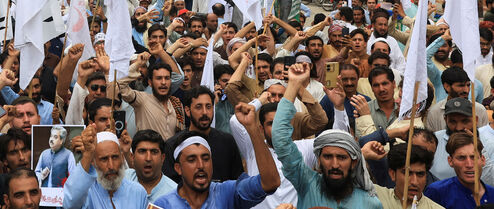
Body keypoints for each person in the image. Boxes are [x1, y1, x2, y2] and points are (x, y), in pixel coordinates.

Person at [273, 63, 382, 207]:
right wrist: (294, 84)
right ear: (318, 160)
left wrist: (338, 108)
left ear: (354, 162)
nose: (334, 164)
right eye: (328, 157)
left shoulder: (370, 203)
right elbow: (280, 140)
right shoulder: (307, 183)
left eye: (342, 157)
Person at [154, 102, 280, 209]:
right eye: (192, 160)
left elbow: (270, 183)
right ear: (178, 168)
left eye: (205, 158)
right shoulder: (164, 204)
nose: (201, 165)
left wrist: (252, 127)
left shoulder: (228, 193)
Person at [164, 85, 244, 184]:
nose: (205, 112)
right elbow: (171, 185)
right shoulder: (173, 145)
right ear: (188, 111)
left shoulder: (227, 141)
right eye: (199, 107)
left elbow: (237, 180)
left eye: (208, 106)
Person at [62, 126, 148, 209]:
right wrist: (88, 154)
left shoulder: (138, 192)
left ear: (122, 158)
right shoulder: (87, 192)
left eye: (115, 157)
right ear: (93, 162)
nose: (111, 166)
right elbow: (69, 204)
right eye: (104, 159)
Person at [424, 132, 494, 209]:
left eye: (473, 157)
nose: (469, 165)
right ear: (450, 161)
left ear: (483, 160)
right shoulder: (437, 192)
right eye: (461, 158)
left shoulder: (492, 193)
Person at [373, 143, 442, 209]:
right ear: (393, 174)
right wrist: (364, 153)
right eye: (408, 174)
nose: (414, 182)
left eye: (420, 174)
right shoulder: (375, 195)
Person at [125, 129, 177, 204]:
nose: (148, 158)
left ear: (162, 158)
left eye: (154, 152)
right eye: (142, 151)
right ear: (132, 157)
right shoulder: (122, 180)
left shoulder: (174, 194)